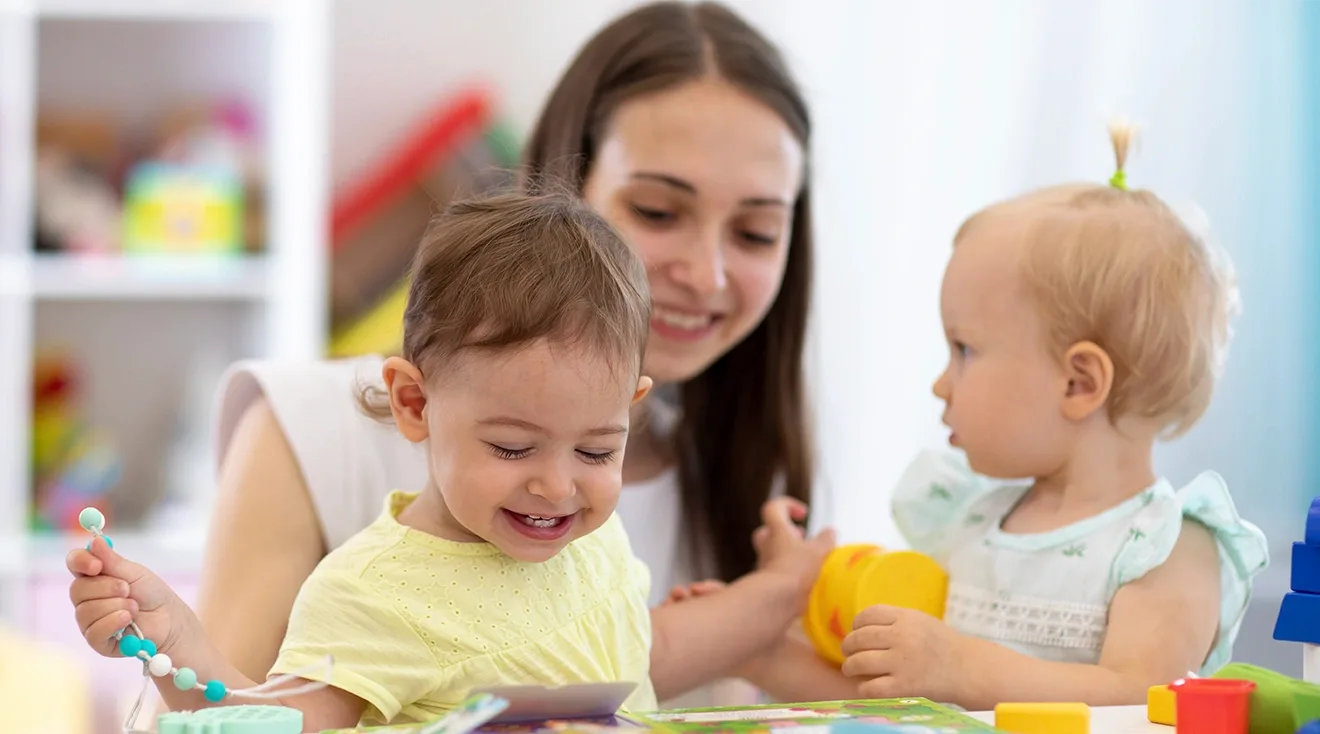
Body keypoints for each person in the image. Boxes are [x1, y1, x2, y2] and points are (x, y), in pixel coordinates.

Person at [200, 0, 822, 706]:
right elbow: (205, 714)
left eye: (756, 232)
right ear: (562, 191)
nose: (706, 273)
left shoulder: (750, 478)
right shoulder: (310, 430)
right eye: (658, 212)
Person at [69, 191, 833, 731]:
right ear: (414, 404)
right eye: (511, 447)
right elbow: (284, 724)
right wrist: (175, 646)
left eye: (598, 448)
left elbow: (650, 647)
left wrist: (785, 584)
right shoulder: (375, 594)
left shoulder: (593, 540)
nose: (557, 485)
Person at [736, 123, 1269, 708]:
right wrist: (762, 650)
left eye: (964, 349)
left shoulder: (1161, 545)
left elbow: (1140, 696)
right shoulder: (969, 521)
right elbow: (903, 698)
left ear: (1079, 382)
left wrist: (964, 667)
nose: (941, 383)